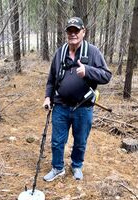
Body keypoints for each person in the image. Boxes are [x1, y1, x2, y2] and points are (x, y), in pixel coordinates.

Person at [43, 17, 112, 181]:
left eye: (76, 30)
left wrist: (88, 71)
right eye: (70, 31)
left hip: (83, 107)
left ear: (83, 32)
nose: (73, 34)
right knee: (57, 142)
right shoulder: (60, 52)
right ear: (66, 33)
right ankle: (57, 168)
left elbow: (107, 75)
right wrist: (47, 97)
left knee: (80, 141)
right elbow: (52, 79)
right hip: (60, 106)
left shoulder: (93, 52)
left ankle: (76, 166)